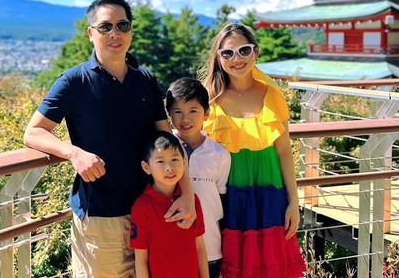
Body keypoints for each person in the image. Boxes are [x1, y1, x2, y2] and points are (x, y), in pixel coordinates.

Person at [23, 0, 196, 278]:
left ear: (130, 32)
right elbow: (34, 132)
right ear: (91, 34)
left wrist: (186, 193)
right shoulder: (74, 81)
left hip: (152, 207)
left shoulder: (146, 80)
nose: (114, 33)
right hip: (102, 218)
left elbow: (168, 144)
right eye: (105, 27)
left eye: (122, 26)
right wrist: (73, 152)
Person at [201, 23, 306, 278]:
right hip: (228, 195)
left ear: (255, 52)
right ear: (218, 57)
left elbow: (283, 152)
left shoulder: (272, 94)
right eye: (228, 53)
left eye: (244, 51)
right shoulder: (207, 96)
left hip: (270, 192)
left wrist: (294, 201)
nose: (236, 59)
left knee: (272, 267)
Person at [166, 78, 230, 278]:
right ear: (169, 114)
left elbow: (221, 199)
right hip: (171, 246)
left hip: (210, 245)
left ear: (207, 113)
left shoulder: (219, 154)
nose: (186, 119)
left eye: (193, 111)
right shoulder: (162, 150)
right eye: (178, 112)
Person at [130, 131, 208, 278]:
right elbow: (141, 260)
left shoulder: (192, 200)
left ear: (184, 162)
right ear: (146, 167)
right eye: (160, 161)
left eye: (174, 159)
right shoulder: (142, 207)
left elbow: (200, 247)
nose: (169, 167)